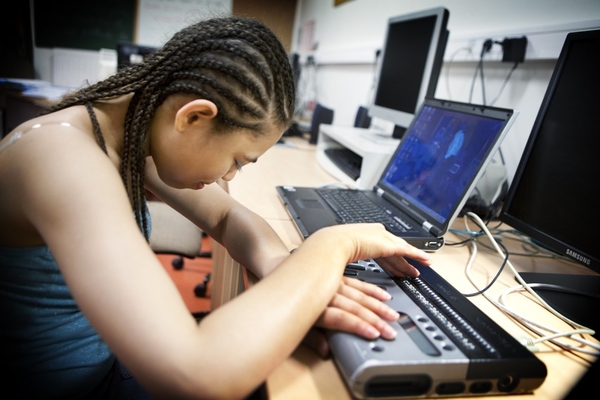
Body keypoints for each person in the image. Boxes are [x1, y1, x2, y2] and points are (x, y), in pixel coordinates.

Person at [0, 16, 431, 399]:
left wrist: (286, 268)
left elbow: (226, 217)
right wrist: (332, 246)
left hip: (105, 363)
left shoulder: (124, 131)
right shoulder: (64, 158)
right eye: (238, 160)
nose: (230, 177)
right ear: (193, 118)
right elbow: (195, 375)